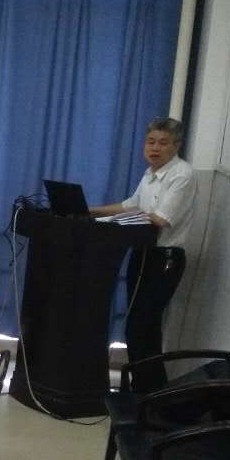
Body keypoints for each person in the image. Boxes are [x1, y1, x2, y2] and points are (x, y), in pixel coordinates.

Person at [90, 117, 197, 391]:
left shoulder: (182, 175)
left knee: (144, 327)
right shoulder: (150, 173)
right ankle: (141, 390)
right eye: (150, 142)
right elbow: (132, 205)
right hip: (142, 254)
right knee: (135, 328)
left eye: (163, 143)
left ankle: (153, 394)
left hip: (164, 259)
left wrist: (118, 221)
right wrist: (91, 211)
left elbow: (161, 219)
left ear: (176, 146)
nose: (155, 148)